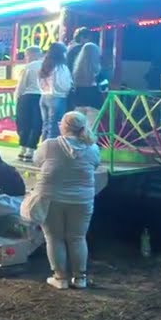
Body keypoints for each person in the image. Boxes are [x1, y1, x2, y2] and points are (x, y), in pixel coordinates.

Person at [33, 111, 101, 290]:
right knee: (78, 238)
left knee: (54, 238)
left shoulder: (49, 145)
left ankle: (60, 278)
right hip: (82, 200)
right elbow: (94, 165)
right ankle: (80, 279)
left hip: (52, 198)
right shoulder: (93, 147)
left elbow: (37, 162)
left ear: (64, 126)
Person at [67, 28, 105, 127]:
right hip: (94, 100)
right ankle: (88, 142)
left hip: (78, 99)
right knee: (91, 128)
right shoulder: (98, 70)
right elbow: (104, 86)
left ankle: (77, 142)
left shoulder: (75, 68)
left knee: (77, 127)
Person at [13, 46, 44, 162]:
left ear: (31, 54)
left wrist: (17, 98)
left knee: (24, 123)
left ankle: (22, 149)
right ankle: (30, 150)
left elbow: (21, 85)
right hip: (40, 96)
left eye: (27, 55)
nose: (26, 58)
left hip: (26, 96)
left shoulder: (28, 67)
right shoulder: (46, 65)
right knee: (37, 124)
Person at [38, 42, 71, 142]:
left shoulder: (45, 65)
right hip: (57, 97)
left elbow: (39, 82)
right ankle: (50, 151)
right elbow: (64, 84)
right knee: (55, 128)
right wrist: (69, 89)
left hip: (44, 97)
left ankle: (44, 148)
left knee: (46, 126)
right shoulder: (61, 67)